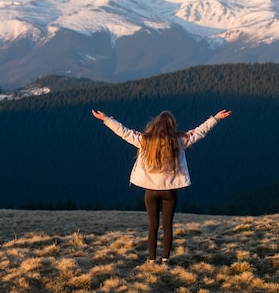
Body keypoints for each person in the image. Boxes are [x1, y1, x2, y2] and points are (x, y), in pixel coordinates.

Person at [92, 109, 232, 264]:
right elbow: (200, 131)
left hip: (151, 191)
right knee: (167, 226)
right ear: (172, 125)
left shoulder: (145, 140)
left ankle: (151, 260)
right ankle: (165, 260)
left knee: (152, 226)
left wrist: (106, 119)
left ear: (155, 124)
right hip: (170, 191)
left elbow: (124, 132)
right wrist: (216, 118)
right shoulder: (179, 140)